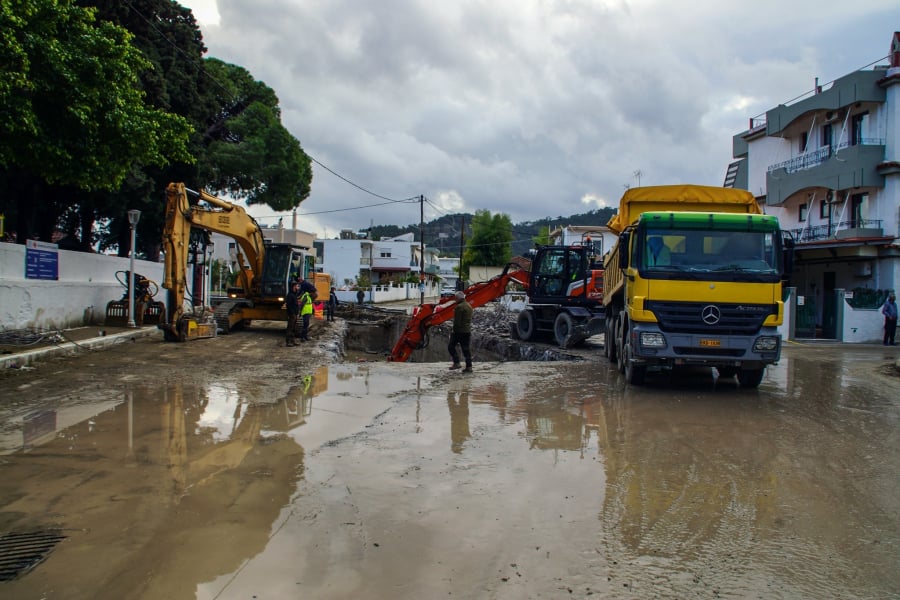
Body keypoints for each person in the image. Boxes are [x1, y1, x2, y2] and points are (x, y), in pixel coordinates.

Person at [448, 291, 473, 373]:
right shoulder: (469, 306)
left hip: (459, 331)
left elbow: (457, 321)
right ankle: (469, 367)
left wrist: (453, 331)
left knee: (451, 346)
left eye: (456, 298)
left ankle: (456, 362)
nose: (455, 300)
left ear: (458, 298)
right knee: (466, 349)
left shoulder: (459, 307)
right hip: (467, 331)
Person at [285, 281, 300, 347]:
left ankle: (292, 341)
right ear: (294, 287)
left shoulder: (294, 294)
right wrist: (292, 313)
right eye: (297, 286)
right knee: (290, 328)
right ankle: (288, 341)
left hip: (295, 314)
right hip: (292, 314)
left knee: (294, 328)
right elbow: (289, 305)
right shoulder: (290, 295)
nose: (298, 287)